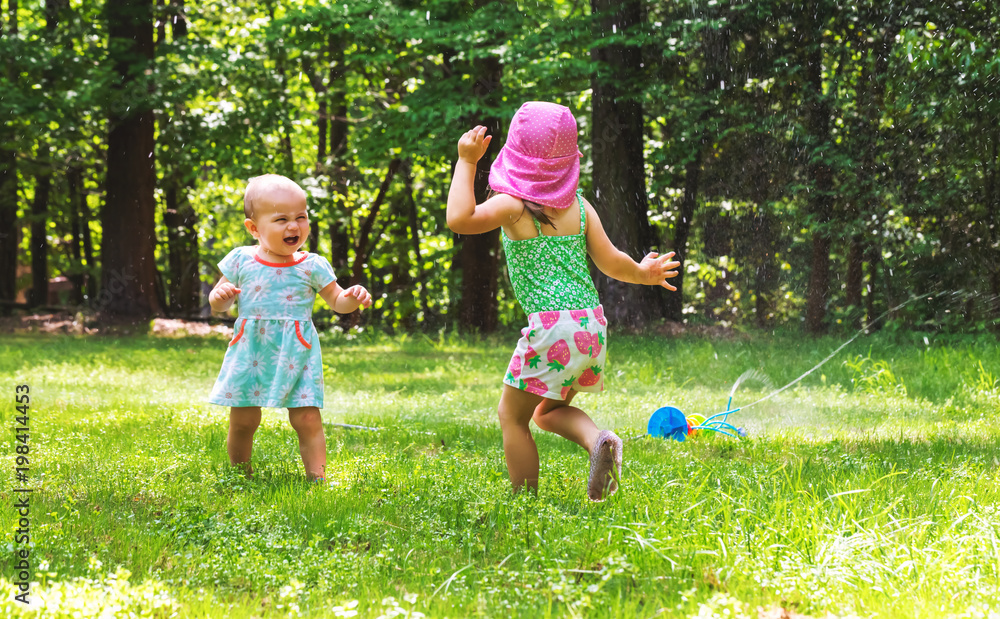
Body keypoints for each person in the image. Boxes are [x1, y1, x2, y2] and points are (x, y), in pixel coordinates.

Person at [446, 102, 680, 500]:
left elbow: (460, 219)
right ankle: (598, 441)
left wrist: (466, 162)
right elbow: (611, 262)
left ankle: (525, 502)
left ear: (515, 157)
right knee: (547, 412)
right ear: (571, 160)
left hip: (552, 328)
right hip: (591, 327)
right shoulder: (580, 208)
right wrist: (643, 273)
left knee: (512, 416)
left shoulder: (513, 205)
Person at [208, 174, 372, 481]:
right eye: (281, 219)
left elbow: (337, 301)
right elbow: (219, 306)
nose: (294, 226)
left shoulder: (312, 265)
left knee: (307, 418)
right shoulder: (241, 260)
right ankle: (240, 475)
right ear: (254, 228)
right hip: (252, 350)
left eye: (301, 217)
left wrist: (352, 297)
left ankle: (318, 479)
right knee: (244, 419)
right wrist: (220, 298)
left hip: (298, 352)